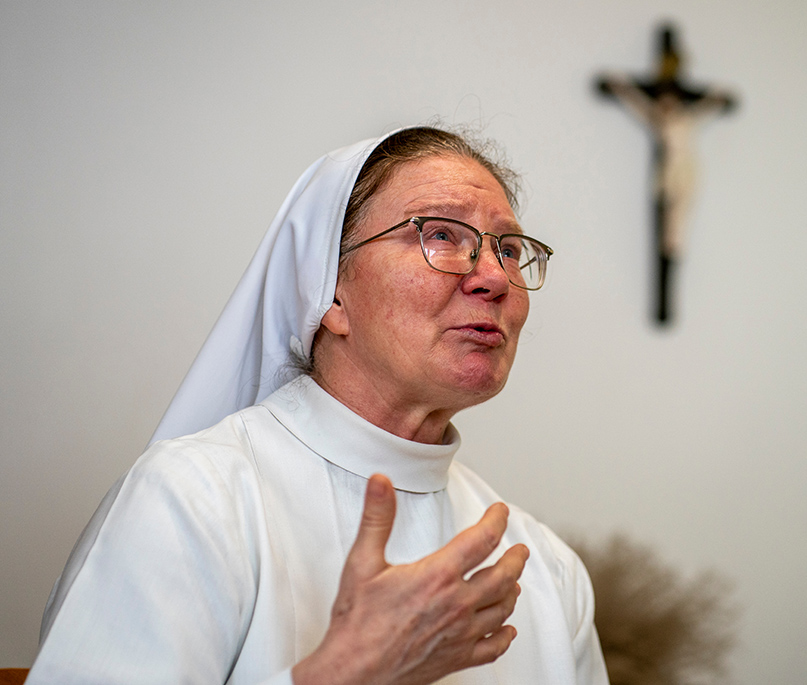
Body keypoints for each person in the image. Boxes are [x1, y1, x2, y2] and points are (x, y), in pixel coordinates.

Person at [26, 126, 610, 685]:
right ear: (328, 289)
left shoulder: (544, 568)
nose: (495, 278)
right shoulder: (191, 502)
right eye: (440, 234)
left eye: (509, 249)